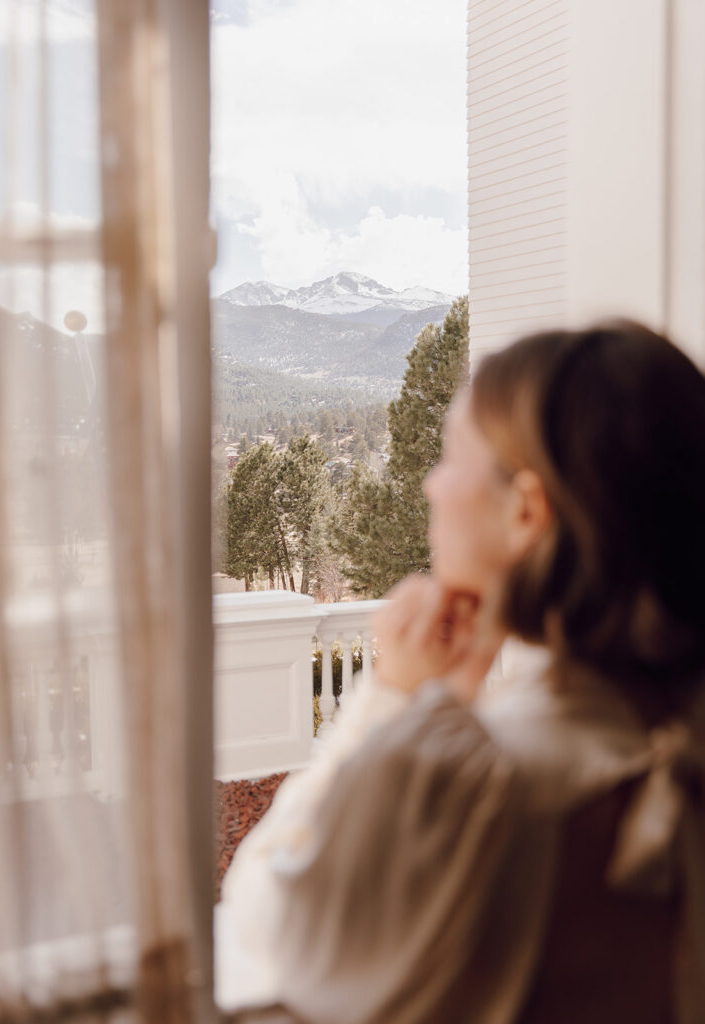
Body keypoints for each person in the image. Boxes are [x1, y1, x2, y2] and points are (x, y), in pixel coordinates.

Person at [222, 320, 705, 1024]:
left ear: (525, 511)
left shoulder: (466, 782)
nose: (429, 483)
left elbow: (270, 914)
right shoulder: (675, 741)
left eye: (450, 457)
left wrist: (390, 700)